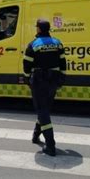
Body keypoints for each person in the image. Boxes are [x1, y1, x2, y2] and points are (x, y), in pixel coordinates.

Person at [23, 19, 66, 157]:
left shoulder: (34, 44)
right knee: (45, 108)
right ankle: (36, 135)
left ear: (39, 29)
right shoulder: (58, 43)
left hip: (39, 80)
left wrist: (26, 78)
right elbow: (63, 62)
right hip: (53, 79)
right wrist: (62, 78)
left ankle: (51, 145)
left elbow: (26, 65)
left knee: (42, 110)